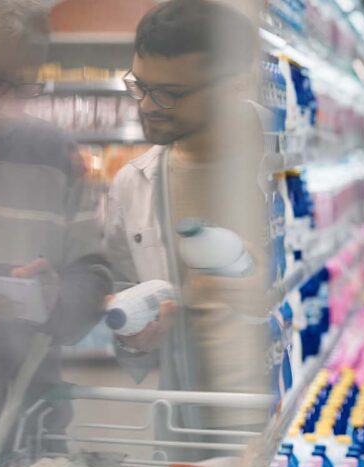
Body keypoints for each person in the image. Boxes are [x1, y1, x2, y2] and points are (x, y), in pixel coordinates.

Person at [0, 0, 111, 467]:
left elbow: (93, 275)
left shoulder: (57, 155)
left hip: (26, 424)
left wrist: (56, 297)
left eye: (23, 83)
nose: (8, 100)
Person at [104, 0, 270, 434]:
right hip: (186, 425)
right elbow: (126, 303)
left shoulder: (295, 163)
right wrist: (133, 339)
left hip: (290, 424)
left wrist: (275, 296)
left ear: (235, 84)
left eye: (171, 93)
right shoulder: (131, 185)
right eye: (139, 86)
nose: (147, 105)